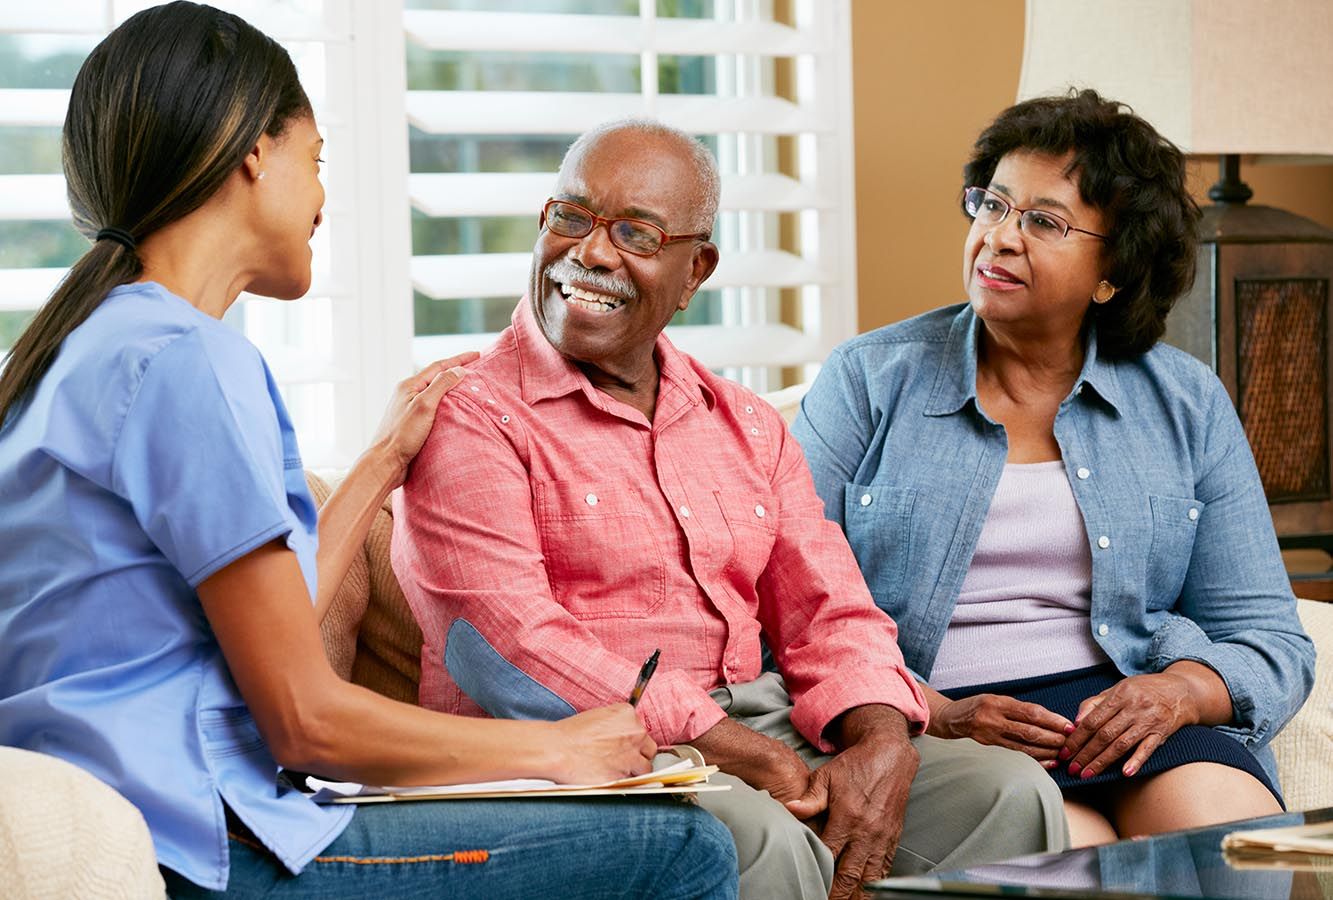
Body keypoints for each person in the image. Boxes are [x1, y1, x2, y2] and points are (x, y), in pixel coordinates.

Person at [0, 5, 739, 897]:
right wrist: (555, 747)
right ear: (253, 154)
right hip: (202, 844)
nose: (321, 198)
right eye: (316, 162)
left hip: (119, 813)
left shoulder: (78, 349)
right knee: (683, 849)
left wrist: (386, 458)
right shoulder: (191, 362)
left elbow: (263, 629)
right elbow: (305, 720)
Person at [392, 118, 1068, 900]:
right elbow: (504, 647)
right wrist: (744, 753)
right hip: (576, 753)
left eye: (636, 234)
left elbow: (831, 612)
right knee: (759, 836)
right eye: (570, 218)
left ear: (694, 270)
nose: (591, 252)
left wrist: (879, 739)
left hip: (757, 726)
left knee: (1006, 794)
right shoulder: (471, 413)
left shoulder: (742, 422)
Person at [790, 89, 1316, 848]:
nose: (998, 238)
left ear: (1113, 272)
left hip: (1129, 715)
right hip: (947, 722)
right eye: (992, 205)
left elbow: (1267, 634)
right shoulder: (869, 380)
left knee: (1229, 845)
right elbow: (790, 605)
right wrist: (928, 710)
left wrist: (1181, 690)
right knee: (1078, 861)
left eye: (1043, 221)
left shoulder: (1184, 401)